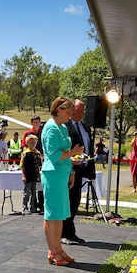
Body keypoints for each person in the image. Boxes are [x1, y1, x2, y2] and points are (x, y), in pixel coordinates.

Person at [42, 96, 85, 266]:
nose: (70, 116)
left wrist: (72, 166)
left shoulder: (62, 127)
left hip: (61, 174)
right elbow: (54, 155)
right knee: (51, 215)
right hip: (52, 175)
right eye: (68, 112)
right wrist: (73, 152)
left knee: (59, 216)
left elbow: (63, 154)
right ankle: (53, 251)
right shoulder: (51, 128)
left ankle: (58, 249)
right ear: (58, 110)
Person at [62, 98, 96, 245]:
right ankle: (64, 233)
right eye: (77, 110)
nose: (80, 113)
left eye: (83, 110)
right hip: (69, 168)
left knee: (75, 200)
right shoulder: (65, 126)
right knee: (68, 201)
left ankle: (71, 232)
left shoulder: (86, 126)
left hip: (82, 167)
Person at [23, 116, 45, 210]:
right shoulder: (27, 133)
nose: (37, 124)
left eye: (38, 122)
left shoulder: (43, 132)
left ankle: (41, 203)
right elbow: (24, 147)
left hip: (42, 159)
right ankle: (33, 204)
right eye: (35, 122)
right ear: (32, 123)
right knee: (32, 185)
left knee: (41, 182)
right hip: (31, 160)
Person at [20, 134, 42, 215]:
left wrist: (39, 175)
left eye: (34, 142)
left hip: (35, 175)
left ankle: (32, 207)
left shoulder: (37, 153)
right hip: (28, 174)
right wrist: (24, 175)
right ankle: (24, 207)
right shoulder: (26, 153)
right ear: (27, 143)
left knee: (34, 192)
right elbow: (22, 165)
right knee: (26, 192)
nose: (33, 144)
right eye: (31, 142)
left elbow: (39, 165)